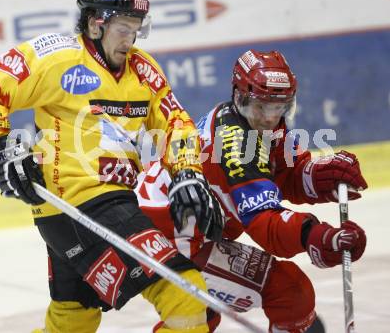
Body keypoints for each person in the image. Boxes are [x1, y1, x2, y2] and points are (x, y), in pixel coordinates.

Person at [0, 0, 224, 333]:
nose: (130, 39)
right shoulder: (57, 56)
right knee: (185, 294)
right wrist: (1, 149)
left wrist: (187, 170)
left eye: (136, 29)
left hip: (90, 209)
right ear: (95, 22)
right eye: (123, 28)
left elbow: (175, 121)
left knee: (74, 320)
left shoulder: (143, 69)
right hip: (81, 205)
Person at [135, 49, 368, 332]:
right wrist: (315, 236)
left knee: (200, 316)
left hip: (170, 227)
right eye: (262, 106)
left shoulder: (254, 122)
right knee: (289, 293)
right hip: (171, 238)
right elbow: (265, 224)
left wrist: (321, 176)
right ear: (239, 96)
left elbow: (285, 173)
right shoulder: (235, 142)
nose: (270, 117)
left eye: (279, 107)